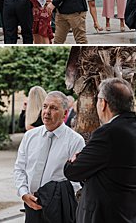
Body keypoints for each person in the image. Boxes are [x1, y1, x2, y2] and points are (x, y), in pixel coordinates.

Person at [63, 77, 136, 222]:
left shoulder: (108, 133)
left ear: (103, 103)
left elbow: (72, 171)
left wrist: (73, 160)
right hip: (129, 215)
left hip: (104, 216)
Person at [13, 92, 85, 223]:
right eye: (45, 106)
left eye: (53, 108)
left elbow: (77, 180)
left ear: (65, 113)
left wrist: (61, 201)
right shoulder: (30, 136)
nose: (46, 112)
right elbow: (20, 169)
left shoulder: (75, 141)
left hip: (58, 210)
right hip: (31, 205)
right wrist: (24, 193)